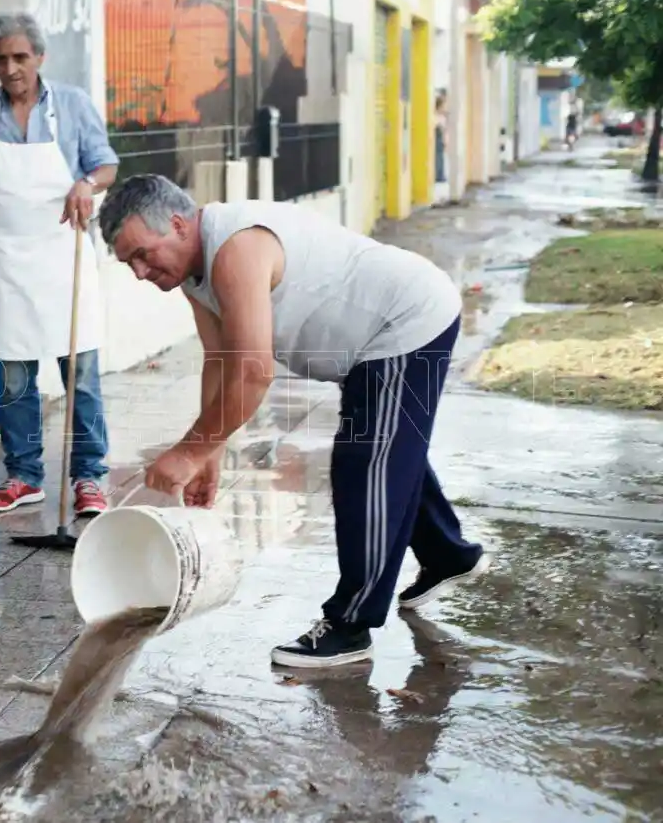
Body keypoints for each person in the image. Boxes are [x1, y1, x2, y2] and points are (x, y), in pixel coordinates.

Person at [96, 174, 492, 669]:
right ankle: (449, 556)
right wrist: (209, 450)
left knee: (365, 464)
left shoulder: (237, 248)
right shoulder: (196, 275)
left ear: (177, 224)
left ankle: (351, 626)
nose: (138, 272)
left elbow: (254, 371)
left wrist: (190, 451)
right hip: (368, 345)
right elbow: (221, 361)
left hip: (404, 323)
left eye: (141, 254)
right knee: (392, 455)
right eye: (127, 262)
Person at [0, 12, 120, 517]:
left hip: (65, 259)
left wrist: (86, 184)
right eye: (1, 59)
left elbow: (107, 164)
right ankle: (23, 475)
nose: (10, 68)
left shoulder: (71, 105)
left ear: (39, 57)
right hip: (9, 260)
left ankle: (89, 477)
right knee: (14, 378)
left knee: (81, 377)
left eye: (20, 57)